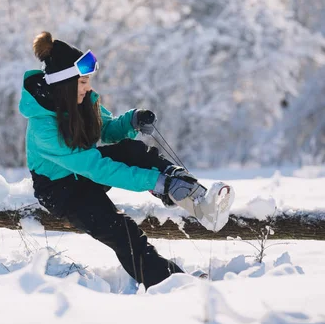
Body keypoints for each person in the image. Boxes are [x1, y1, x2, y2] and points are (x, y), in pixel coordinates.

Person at [18, 31, 203, 289]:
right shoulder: (43, 129)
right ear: (66, 85)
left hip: (83, 169)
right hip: (61, 191)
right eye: (83, 82)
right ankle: (175, 284)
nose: (89, 87)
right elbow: (97, 168)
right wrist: (154, 181)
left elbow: (106, 129)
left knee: (133, 150)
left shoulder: (79, 101)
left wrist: (131, 121)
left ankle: (182, 186)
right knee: (123, 233)